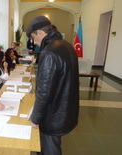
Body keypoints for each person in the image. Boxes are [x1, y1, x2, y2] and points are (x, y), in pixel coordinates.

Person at [26, 16, 79, 155]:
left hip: (53, 114)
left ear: (41, 33)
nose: (34, 42)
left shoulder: (49, 52)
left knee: (49, 149)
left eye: (33, 37)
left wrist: (35, 118)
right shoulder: (67, 45)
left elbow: (44, 92)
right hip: (65, 110)